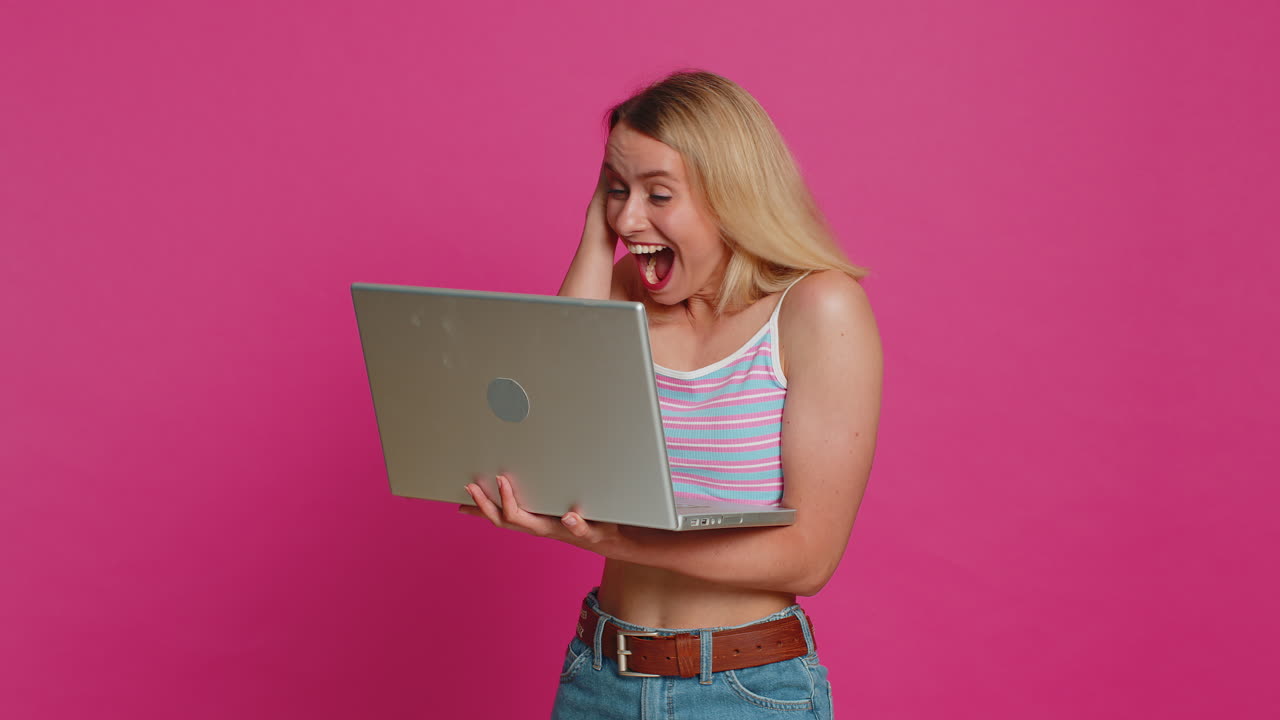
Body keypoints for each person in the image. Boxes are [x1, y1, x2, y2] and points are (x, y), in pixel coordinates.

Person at [459, 70, 882, 719]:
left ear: (732, 195)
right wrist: (598, 241)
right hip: (597, 677)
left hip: (746, 691)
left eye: (659, 194)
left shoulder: (819, 310)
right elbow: (551, 415)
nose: (630, 217)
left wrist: (609, 542)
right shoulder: (620, 297)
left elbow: (808, 560)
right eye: (616, 189)